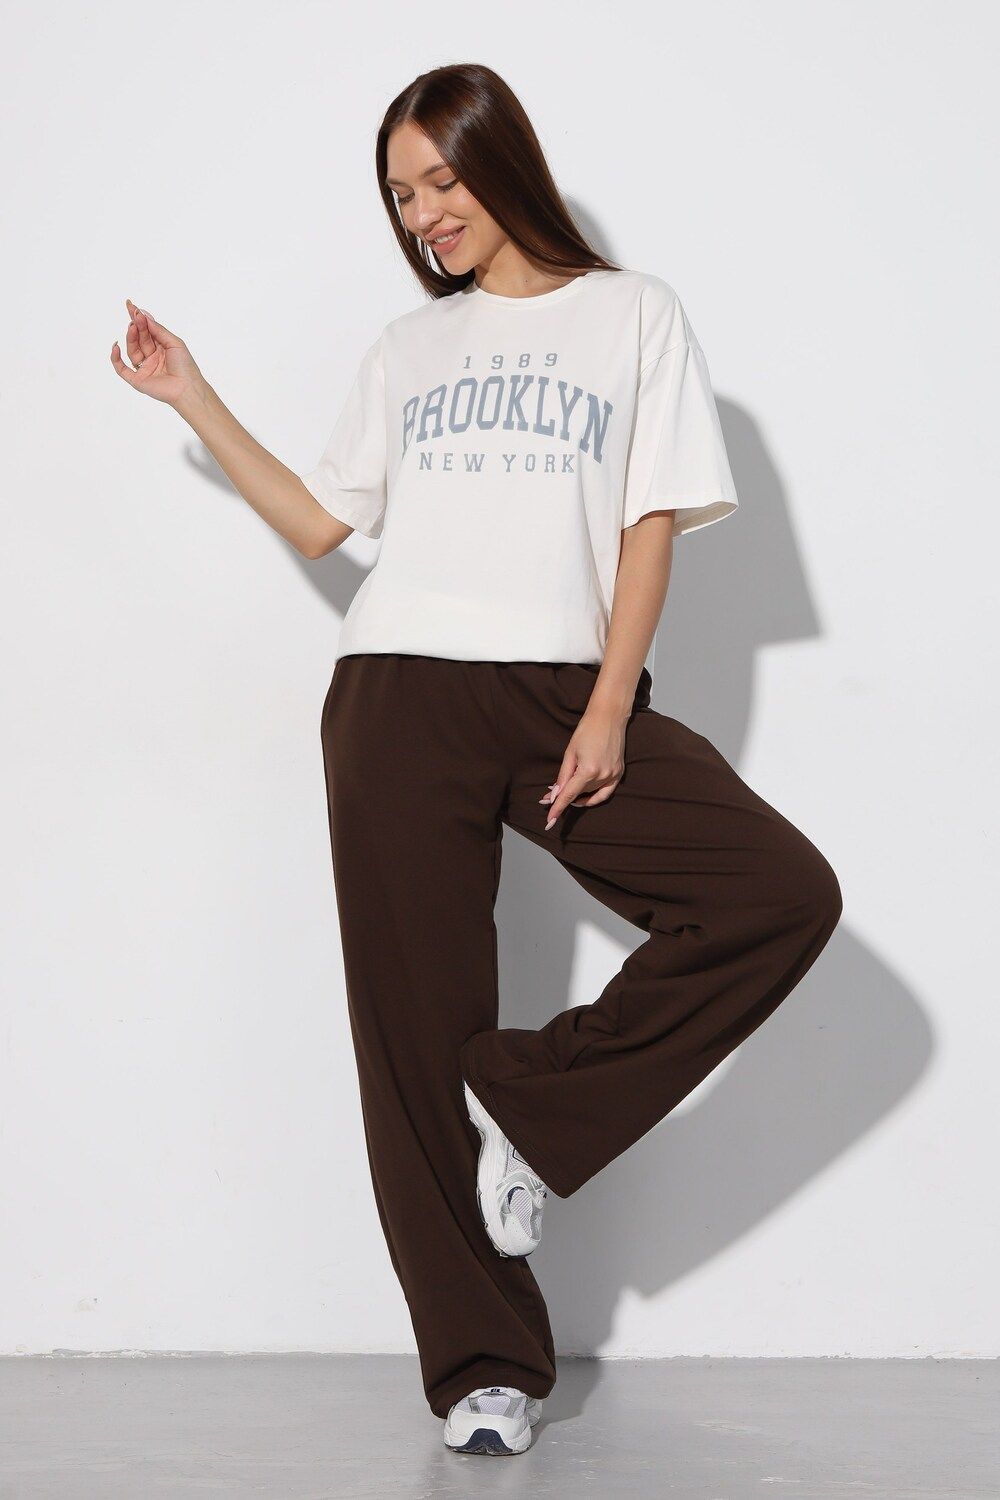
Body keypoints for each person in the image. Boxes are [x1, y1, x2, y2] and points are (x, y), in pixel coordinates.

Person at [111, 61, 842, 1459]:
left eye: (441, 180)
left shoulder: (634, 314)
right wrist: (191, 394)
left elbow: (645, 525)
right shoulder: (408, 346)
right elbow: (325, 526)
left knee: (777, 894)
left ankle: (533, 1102)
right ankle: (484, 1368)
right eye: (400, 196)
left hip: (564, 690)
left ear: (502, 161)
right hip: (397, 694)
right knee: (412, 1033)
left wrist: (612, 706)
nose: (423, 214)